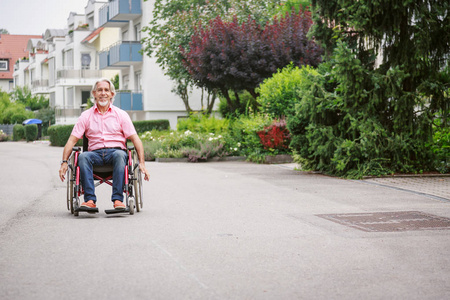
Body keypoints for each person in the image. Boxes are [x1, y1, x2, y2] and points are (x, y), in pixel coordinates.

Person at [59, 78, 150, 210]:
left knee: (120, 155)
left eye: (106, 90)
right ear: (94, 93)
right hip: (94, 155)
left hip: (116, 153)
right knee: (83, 157)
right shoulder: (86, 116)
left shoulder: (121, 115)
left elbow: (136, 140)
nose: (103, 93)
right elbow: (71, 140)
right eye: (100, 90)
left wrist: (142, 163)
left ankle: (118, 200)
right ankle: (89, 200)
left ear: (112, 94)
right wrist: (64, 162)